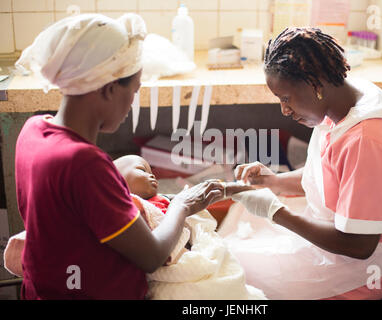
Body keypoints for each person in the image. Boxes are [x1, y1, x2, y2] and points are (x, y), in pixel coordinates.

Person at [13, 13, 224, 300]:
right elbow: (151, 256)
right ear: (109, 89)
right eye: (134, 90)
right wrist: (183, 205)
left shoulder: (33, 131)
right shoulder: (84, 163)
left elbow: (67, 203)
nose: (132, 103)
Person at [219, 27, 382, 300]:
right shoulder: (344, 99)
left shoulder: (366, 140)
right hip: (342, 240)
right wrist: (275, 182)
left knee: (226, 273)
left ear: (316, 86)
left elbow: (359, 244)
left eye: (286, 98)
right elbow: (332, 175)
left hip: (363, 272)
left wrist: (276, 213)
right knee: (233, 236)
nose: (284, 110)